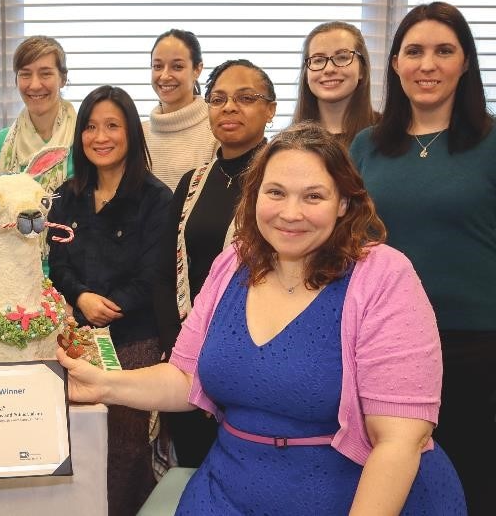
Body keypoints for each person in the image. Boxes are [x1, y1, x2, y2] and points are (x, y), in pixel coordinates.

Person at [63, 121, 467, 514]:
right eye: (276, 192)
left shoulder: (382, 276)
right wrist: (103, 385)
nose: (291, 213)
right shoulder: (233, 265)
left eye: (313, 197)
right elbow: (185, 378)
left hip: (354, 494)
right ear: (254, 196)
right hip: (231, 488)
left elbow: (399, 441)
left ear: (344, 203)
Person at [350, 2, 495, 514]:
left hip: (477, 351)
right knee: (399, 487)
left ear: (465, 63)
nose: (427, 65)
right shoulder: (366, 147)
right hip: (385, 348)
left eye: (443, 51)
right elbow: (349, 244)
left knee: (476, 484)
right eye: (414, 51)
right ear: (394, 64)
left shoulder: (492, 142)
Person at [47, 85, 172, 516]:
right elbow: (57, 265)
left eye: (112, 126)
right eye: (91, 127)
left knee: (124, 445)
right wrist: (81, 296)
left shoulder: (157, 199)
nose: (101, 137)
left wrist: (109, 305)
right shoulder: (66, 195)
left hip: (134, 337)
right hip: (75, 335)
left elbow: (154, 275)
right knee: (70, 440)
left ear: (131, 134)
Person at [152, 59, 276, 468]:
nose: (229, 108)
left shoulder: (282, 184)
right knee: (193, 470)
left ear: (271, 109)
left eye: (246, 98)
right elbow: (164, 271)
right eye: (218, 99)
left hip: (257, 356)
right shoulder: (192, 182)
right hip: (190, 352)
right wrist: (178, 347)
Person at [0, 35, 76, 265]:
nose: (34, 84)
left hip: (75, 273)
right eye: (25, 74)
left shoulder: (85, 141)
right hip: (13, 270)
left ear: (63, 78)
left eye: (45, 73)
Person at [143, 29, 219, 190]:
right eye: (157, 66)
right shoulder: (138, 132)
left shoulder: (216, 129)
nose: (164, 75)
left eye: (177, 67)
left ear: (197, 69)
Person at [293, 21, 379, 146]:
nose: (329, 69)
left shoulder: (387, 133)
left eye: (342, 57)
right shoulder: (289, 143)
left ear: (362, 70)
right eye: (318, 60)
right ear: (306, 74)